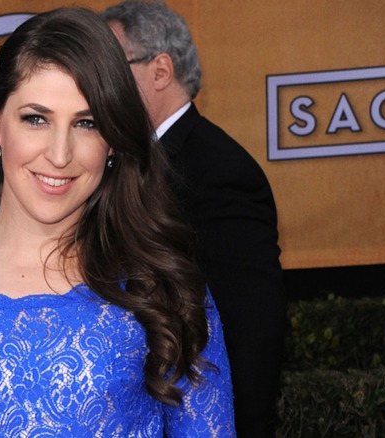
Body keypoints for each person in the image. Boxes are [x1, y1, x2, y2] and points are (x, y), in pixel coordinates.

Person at [0, 7, 234, 437]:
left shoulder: (163, 286)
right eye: (36, 118)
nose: (60, 154)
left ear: (111, 141)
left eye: (86, 123)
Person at [101, 1, 287, 436]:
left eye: (111, 66)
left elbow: (251, 327)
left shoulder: (218, 171)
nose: (97, 82)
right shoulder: (132, 162)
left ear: (160, 71)